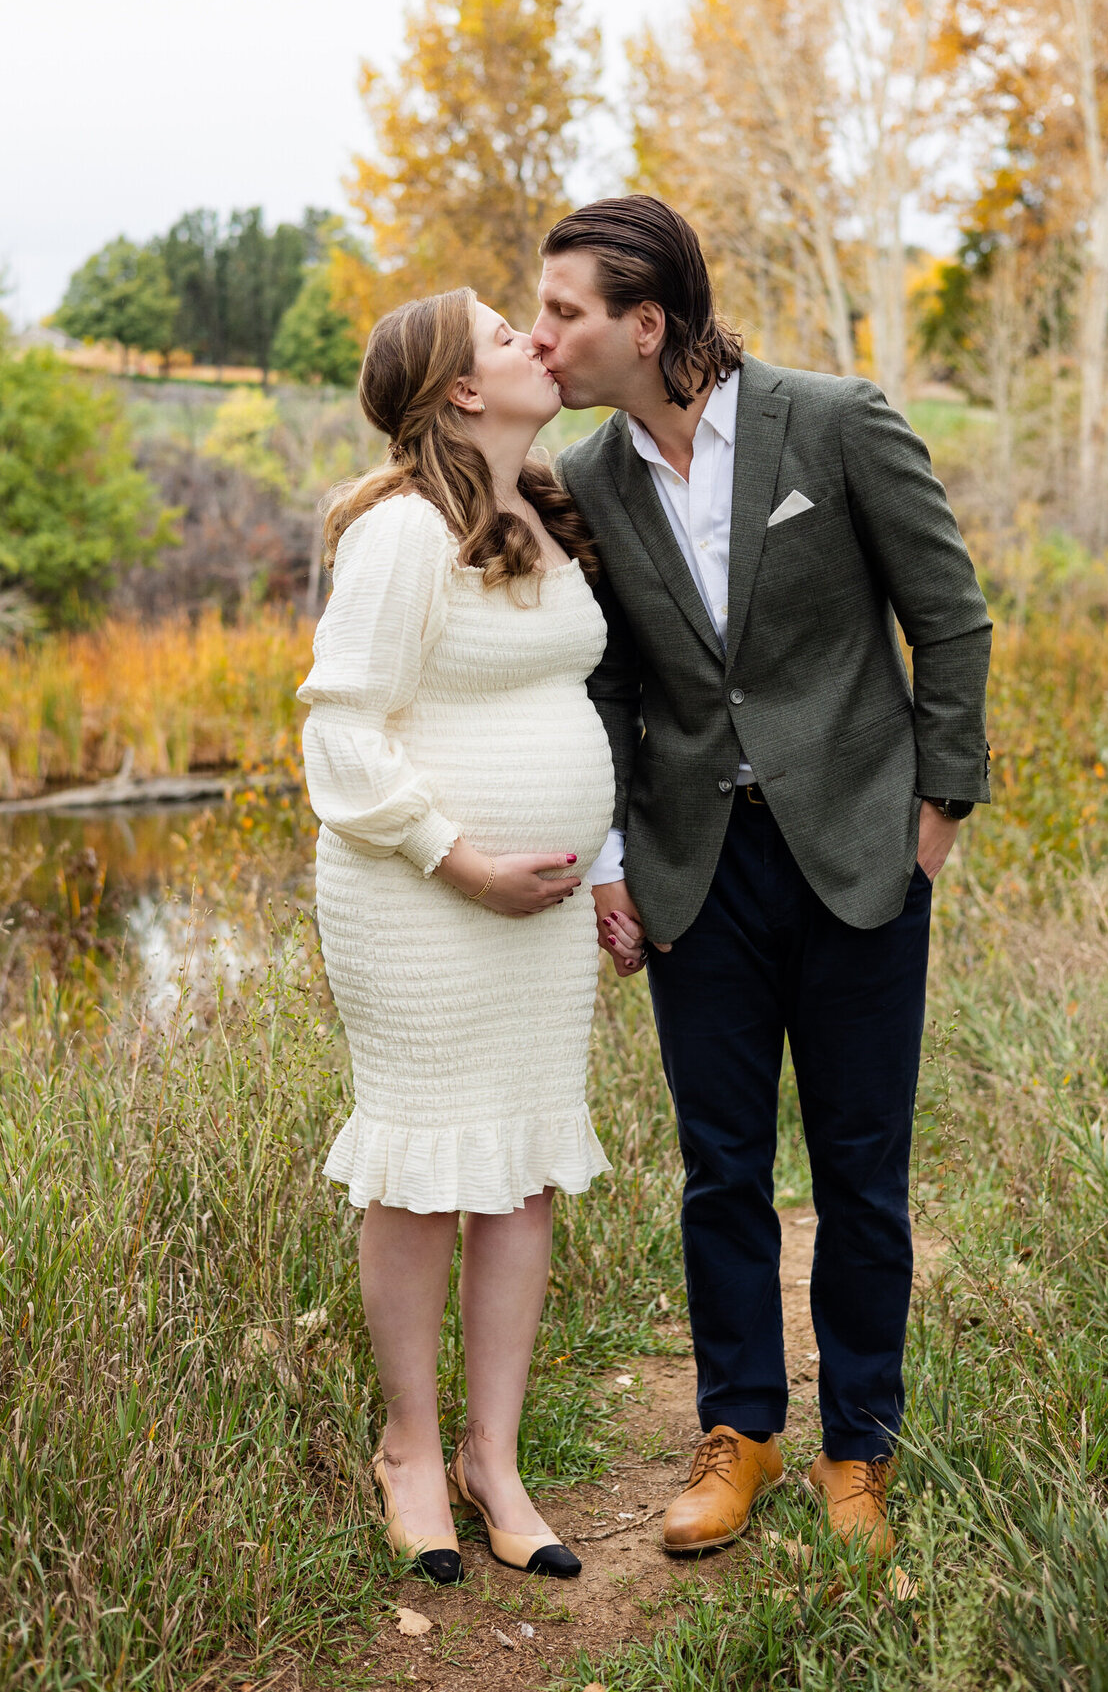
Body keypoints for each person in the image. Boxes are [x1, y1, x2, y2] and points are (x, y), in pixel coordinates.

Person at [531, 195, 991, 1575]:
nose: (542, 335)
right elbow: (613, 684)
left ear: (646, 324)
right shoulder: (589, 475)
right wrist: (614, 861)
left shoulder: (835, 422)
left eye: (563, 312)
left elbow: (947, 614)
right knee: (720, 1168)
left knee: (861, 1169)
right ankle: (740, 1430)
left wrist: (937, 813)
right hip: (695, 871)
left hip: (860, 853)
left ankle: (859, 1444)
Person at [297, 287, 620, 1584]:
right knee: (425, 1168)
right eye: (503, 335)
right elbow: (341, 731)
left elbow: (566, 710)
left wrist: (599, 865)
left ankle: (496, 1458)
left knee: (521, 1167)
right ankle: (411, 1451)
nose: (534, 340)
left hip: (539, 914)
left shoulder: (540, 509)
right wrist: (463, 858)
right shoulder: (399, 531)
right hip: (419, 898)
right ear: (461, 392)